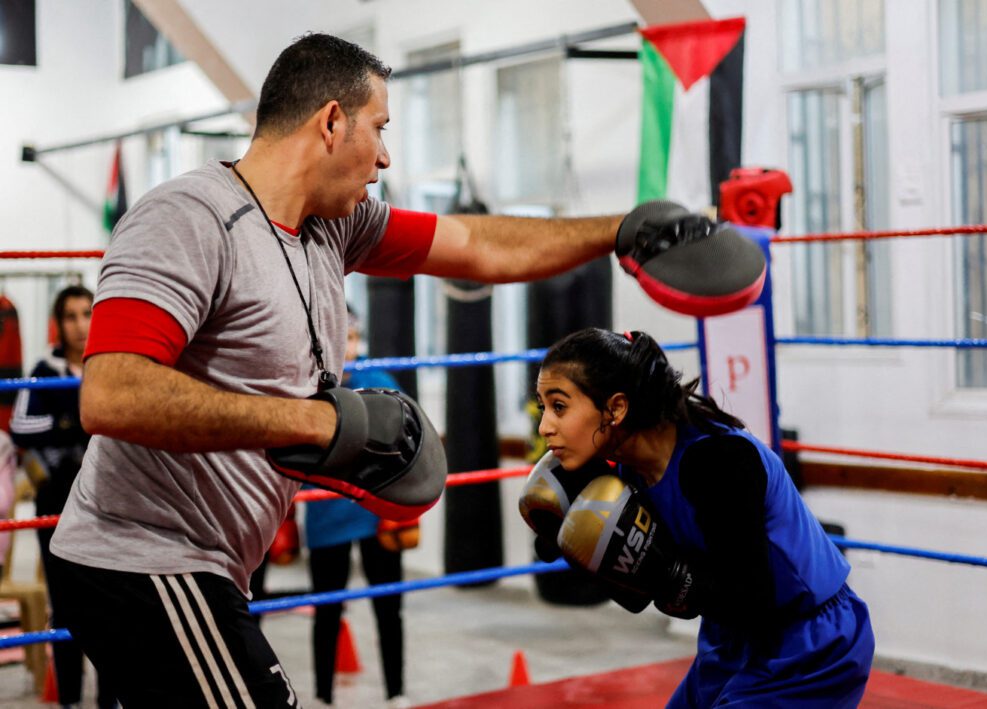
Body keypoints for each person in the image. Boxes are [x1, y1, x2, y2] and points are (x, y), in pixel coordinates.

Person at [45, 32, 753, 708]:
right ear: (331, 122)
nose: (385, 157)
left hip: (206, 562)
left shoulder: (334, 227)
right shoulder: (189, 218)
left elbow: (477, 244)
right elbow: (112, 391)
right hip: (141, 557)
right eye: (378, 128)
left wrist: (619, 230)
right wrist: (318, 420)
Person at [523, 328, 874, 708]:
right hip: (730, 637)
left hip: (809, 640)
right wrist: (580, 545)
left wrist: (670, 577)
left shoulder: (718, 462)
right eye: (544, 408)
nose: (545, 427)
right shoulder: (629, 473)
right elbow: (638, 596)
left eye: (559, 407)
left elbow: (751, 597)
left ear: (616, 409)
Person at [10, 285, 118, 709]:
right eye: (70, 316)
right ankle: (71, 701)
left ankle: (110, 699)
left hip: (111, 500)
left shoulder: (110, 363)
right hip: (57, 500)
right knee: (66, 603)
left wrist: (68, 420)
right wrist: (77, 422)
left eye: (86, 314)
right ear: (59, 323)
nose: (79, 325)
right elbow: (21, 426)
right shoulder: (45, 367)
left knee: (112, 602)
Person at [305, 305, 410, 708]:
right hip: (325, 511)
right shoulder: (305, 387)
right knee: (327, 611)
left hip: (374, 510)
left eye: (351, 338)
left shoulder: (379, 380)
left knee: (389, 606)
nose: (346, 347)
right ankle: (321, 696)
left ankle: (397, 693)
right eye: (338, 337)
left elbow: (411, 441)